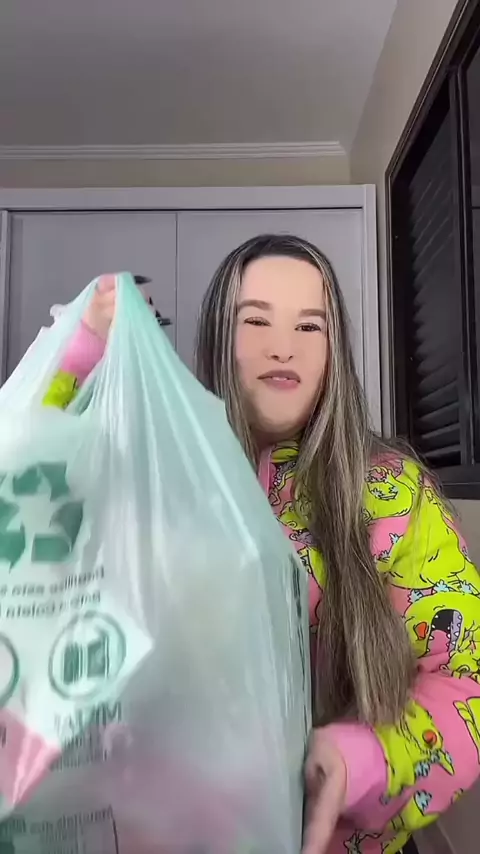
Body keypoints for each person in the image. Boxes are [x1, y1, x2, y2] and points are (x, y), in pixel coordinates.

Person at [43, 236, 480, 854]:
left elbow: (465, 680)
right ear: (220, 337)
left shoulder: (394, 496)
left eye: (309, 326)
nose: (283, 347)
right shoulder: (150, 470)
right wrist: (76, 359)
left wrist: (361, 762)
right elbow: (33, 498)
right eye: (256, 321)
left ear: (334, 350)